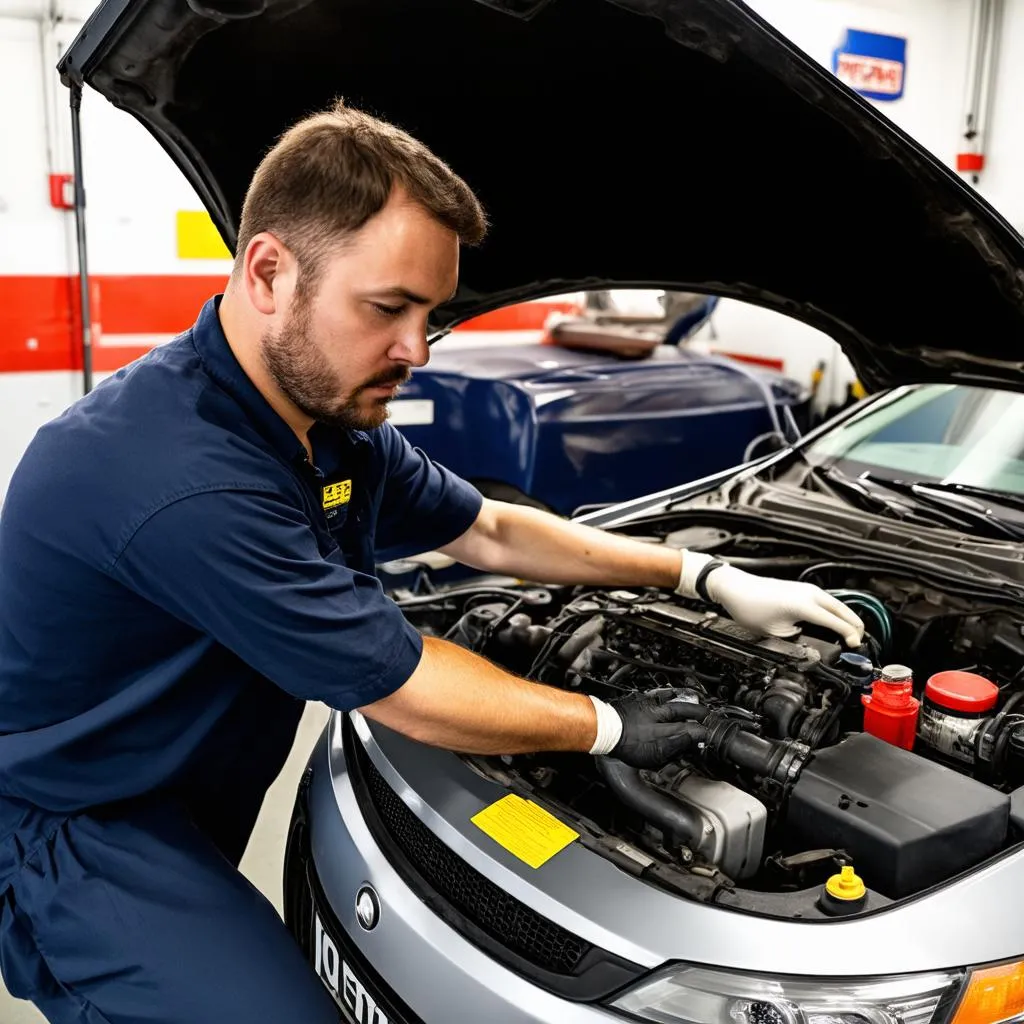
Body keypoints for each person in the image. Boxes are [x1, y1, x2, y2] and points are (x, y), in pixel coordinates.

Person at [0, 101, 863, 1023]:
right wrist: (610, 725)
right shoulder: (180, 475)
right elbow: (404, 684)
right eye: (388, 308)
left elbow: (487, 528)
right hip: (75, 824)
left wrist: (701, 577)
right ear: (267, 273)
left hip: (177, 787)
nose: (414, 349)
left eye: (431, 314)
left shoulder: (320, 420)